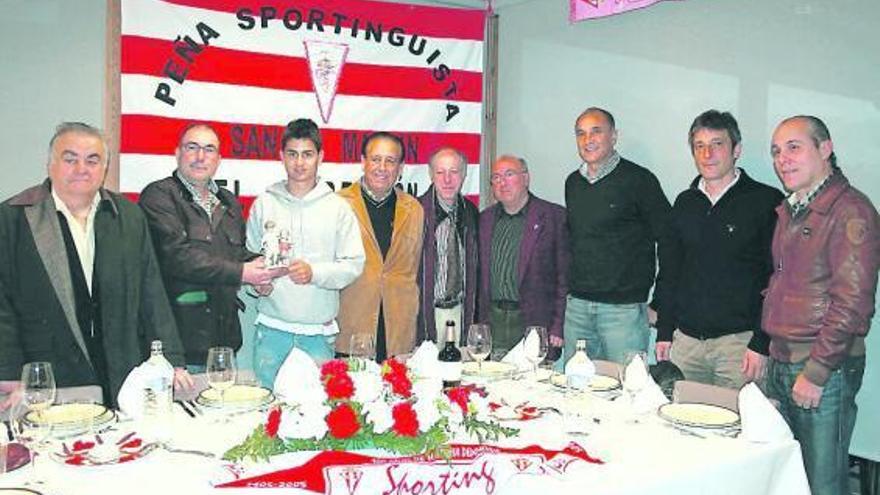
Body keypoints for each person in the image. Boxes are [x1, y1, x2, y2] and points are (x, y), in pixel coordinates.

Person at [0, 122, 191, 409]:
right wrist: (9, 372)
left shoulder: (127, 216)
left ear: (104, 168)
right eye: (70, 159)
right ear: (50, 165)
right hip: (46, 375)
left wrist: (172, 360)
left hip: (118, 369)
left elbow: (151, 292)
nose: (82, 168)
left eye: (93, 160)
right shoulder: (13, 219)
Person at [763, 115, 879, 495]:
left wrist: (816, 372)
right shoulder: (793, 208)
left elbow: (852, 305)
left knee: (822, 485)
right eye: (777, 151)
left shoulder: (851, 211)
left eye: (794, 147)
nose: (783, 159)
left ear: (825, 148)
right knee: (787, 482)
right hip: (783, 362)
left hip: (821, 369)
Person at [139, 123, 285, 371]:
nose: (200, 157)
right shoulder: (159, 196)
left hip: (224, 343)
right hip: (178, 348)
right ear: (177, 153)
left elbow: (235, 253)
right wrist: (243, 272)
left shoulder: (227, 201)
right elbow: (178, 257)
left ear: (218, 159)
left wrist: (266, 266)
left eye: (209, 149)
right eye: (192, 147)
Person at [653, 110, 783, 389]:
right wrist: (664, 332)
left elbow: (776, 279)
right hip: (686, 345)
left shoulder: (765, 201)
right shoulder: (685, 203)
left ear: (737, 150)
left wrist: (761, 343)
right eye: (699, 146)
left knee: (739, 430)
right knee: (682, 427)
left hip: (739, 347)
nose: (707, 153)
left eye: (717, 144)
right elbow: (670, 272)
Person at [245, 119, 365, 386]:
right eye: (292, 154)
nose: (299, 163)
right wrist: (258, 286)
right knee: (268, 415)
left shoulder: (338, 208)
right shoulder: (264, 204)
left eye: (307, 154)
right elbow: (249, 258)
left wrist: (315, 273)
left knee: (316, 416)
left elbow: (354, 264)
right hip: (271, 330)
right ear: (281, 157)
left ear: (320, 157)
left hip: (318, 335)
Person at [562, 107, 672, 365]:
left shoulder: (640, 180)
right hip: (577, 309)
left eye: (596, 131)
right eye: (581, 133)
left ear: (614, 136)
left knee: (627, 392)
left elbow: (669, 240)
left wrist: (660, 301)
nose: (588, 139)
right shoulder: (573, 184)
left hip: (623, 313)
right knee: (576, 391)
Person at [336, 132, 424, 362]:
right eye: (375, 159)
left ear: (401, 167)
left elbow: (415, 269)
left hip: (398, 331)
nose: (382, 167)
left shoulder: (414, 209)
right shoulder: (338, 205)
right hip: (352, 325)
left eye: (390, 161)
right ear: (363, 162)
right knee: (350, 396)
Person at [478, 155, 569, 355]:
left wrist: (557, 325)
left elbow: (564, 279)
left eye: (509, 174)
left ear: (526, 178)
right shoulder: (483, 220)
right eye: (496, 177)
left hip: (534, 323)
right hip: (494, 322)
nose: (502, 182)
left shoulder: (554, 217)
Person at [417, 147, 479, 346]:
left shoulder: (471, 213)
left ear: (464, 174)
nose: (447, 179)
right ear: (430, 174)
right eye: (440, 172)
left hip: (460, 313)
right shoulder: (415, 212)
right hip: (425, 314)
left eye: (454, 172)